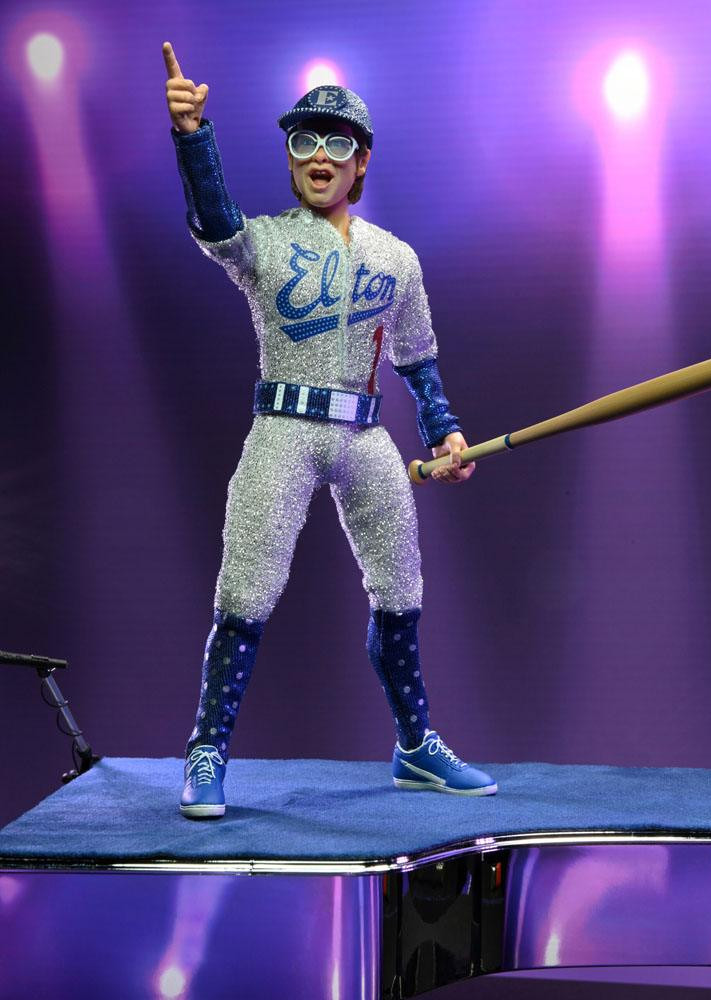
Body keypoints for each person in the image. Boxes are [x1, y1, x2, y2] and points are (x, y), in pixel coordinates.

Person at [162, 41, 498, 818]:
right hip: (283, 426)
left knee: (402, 589)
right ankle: (206, 749)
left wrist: (445, 434)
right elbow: (214, 220)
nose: (320, 155)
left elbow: (417, 357)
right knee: (245, 590)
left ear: (362, 161)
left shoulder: (396, 258)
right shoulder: (266, 240)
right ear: (289, 156)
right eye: (305, 140)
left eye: (337, 143)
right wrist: (192, 135)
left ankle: (415, 745)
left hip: (364, 434)